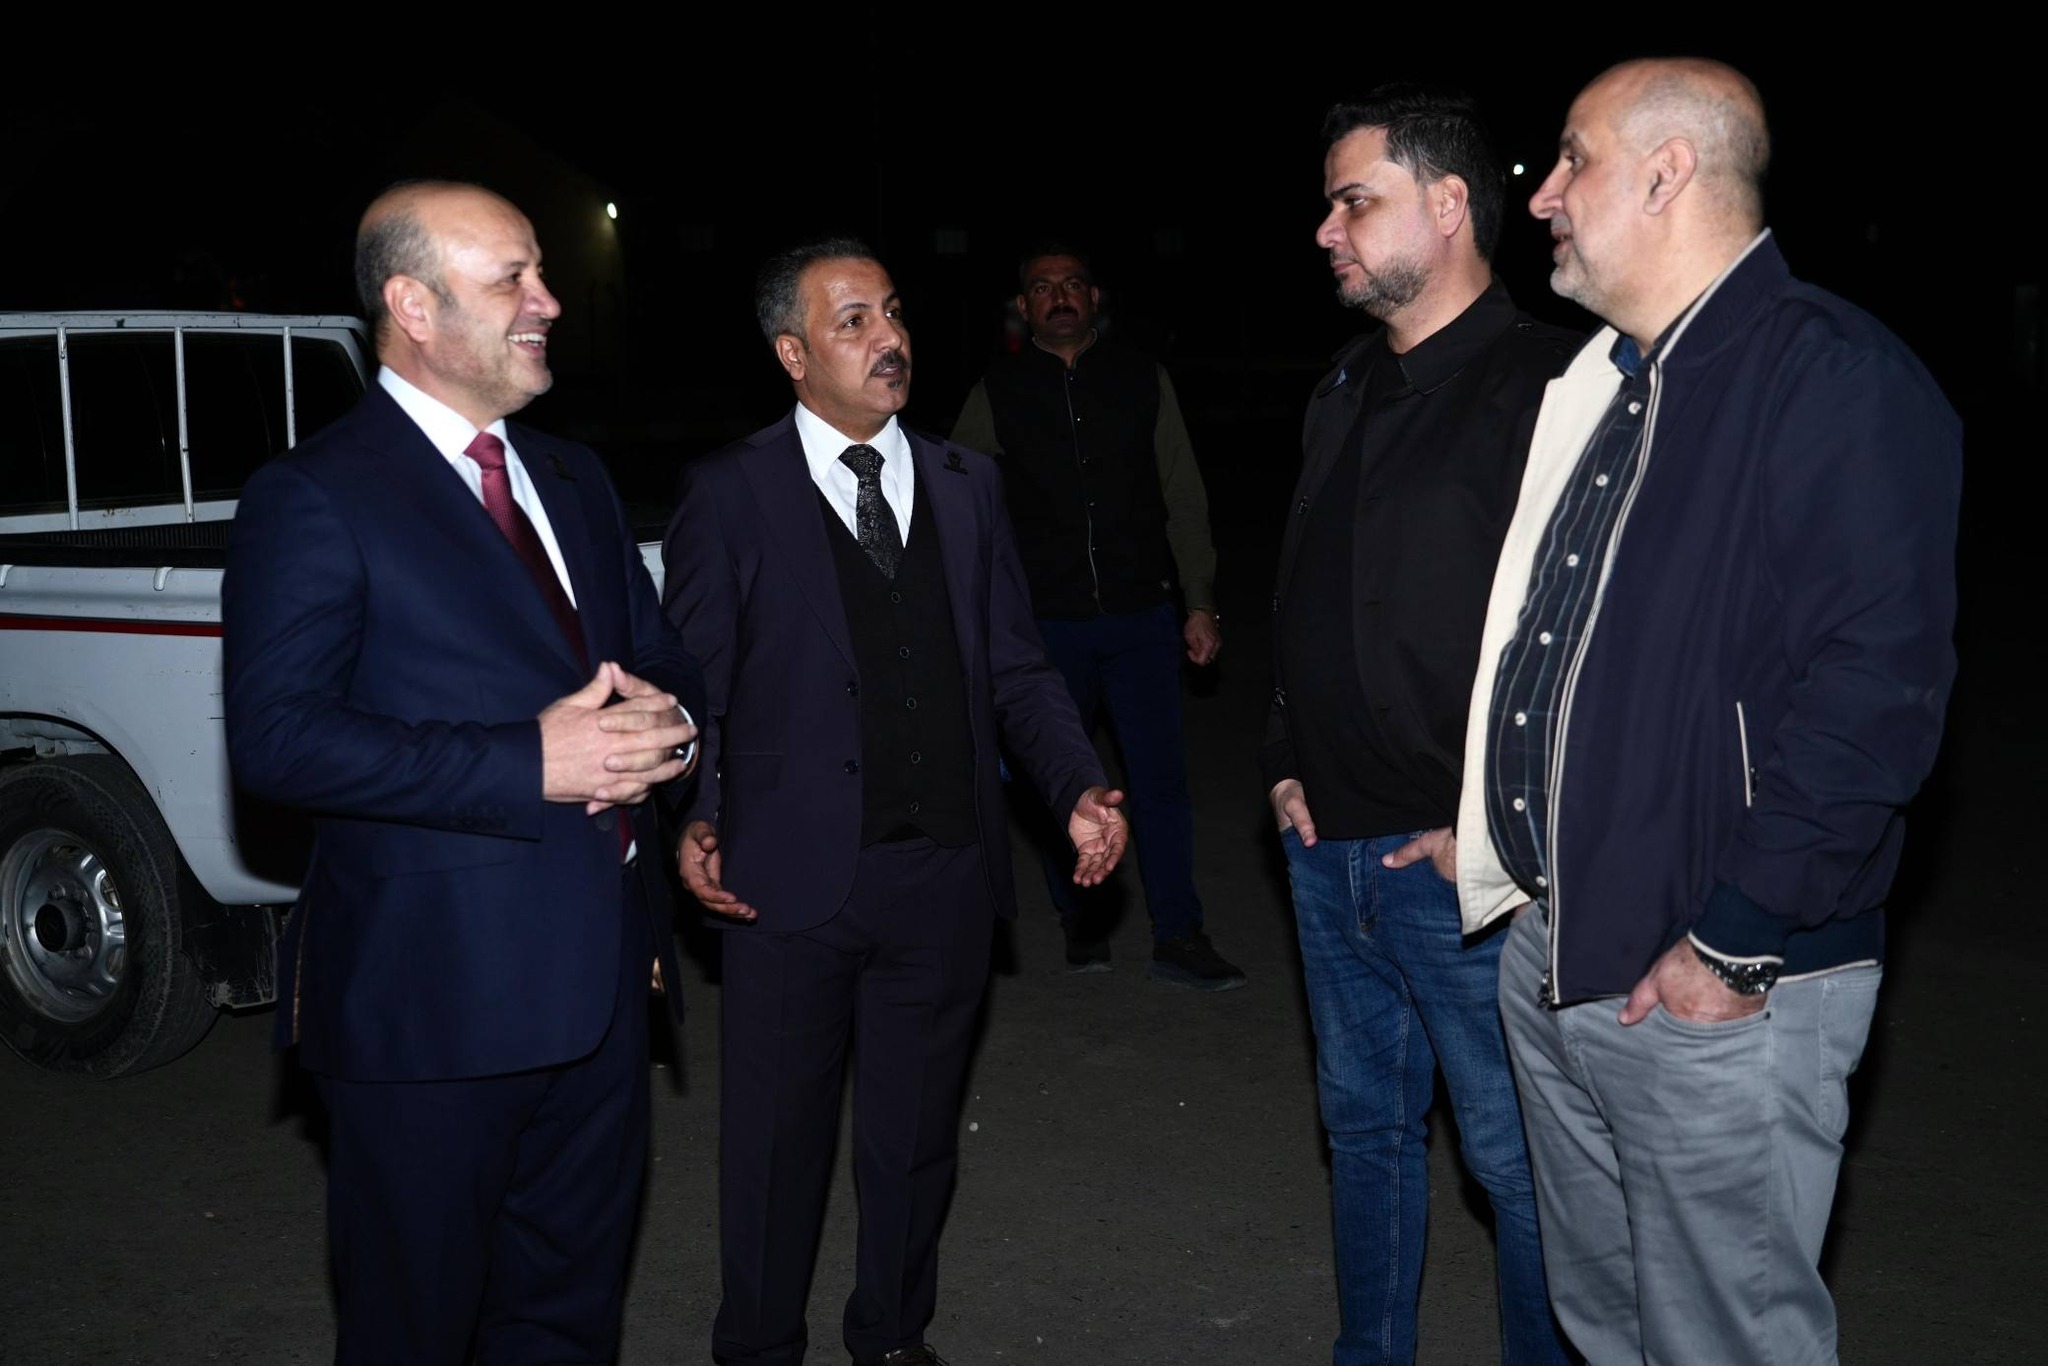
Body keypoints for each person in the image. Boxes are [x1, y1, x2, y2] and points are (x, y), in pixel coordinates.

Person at [1456, 57, 1962, 1363]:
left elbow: (1875, 699)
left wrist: (1732, 942)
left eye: (1572, 159)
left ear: (1666, 174)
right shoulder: (1619, 380)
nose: (1543, 194)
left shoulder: (1829, 375)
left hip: (1715, 977)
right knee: (1609, 1326)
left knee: (1724, 1341)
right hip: (1565, 945)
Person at [222, 180, 706, 1363]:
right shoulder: (315, 493)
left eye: (540, 272)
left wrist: (673, 728)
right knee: (416, 1326)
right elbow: (278, 737)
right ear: (413, 306)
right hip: (430, 1007)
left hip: (601, 988)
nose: (548, 301)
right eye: (512, 279)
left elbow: (656, 657)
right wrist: (527, 760)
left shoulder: (574, 478)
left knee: (566, 1320)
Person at [661, 238, 1129, 1366]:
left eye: (895, 314)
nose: (890, 340)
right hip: (786, 882)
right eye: (854, 321)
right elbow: (693, 686)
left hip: (944, 876)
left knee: (914, 1144)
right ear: (792, 354)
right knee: (774, 1149)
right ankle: (758, 1347)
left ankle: (891, 1336)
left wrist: (1074, 783)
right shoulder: (729, 493)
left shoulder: (969, 485)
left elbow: (1014, 666)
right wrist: (693, 811)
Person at [1262, 87, 1578, 1366]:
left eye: (1354, 201)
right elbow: (1307, 585)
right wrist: (1282, 754)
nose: (1325, 230)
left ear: (1447, 206)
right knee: (1366, 1137)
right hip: (1323, 848)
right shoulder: (1342, 383)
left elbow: (1596, 645)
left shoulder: (1556, 381)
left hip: (1465, 879)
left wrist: (1497, 829)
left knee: (1519, 1167)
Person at [951, 244, 1243, 989]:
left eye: (1072, 284)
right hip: (1045, 625)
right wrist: (978, 613)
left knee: (1160, 782)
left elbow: (1183, 494)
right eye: (1043, 287)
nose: (1059, 296)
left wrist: (1199, 601)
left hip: (1141, 614)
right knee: (1057, 779)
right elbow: (958, 505)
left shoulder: (1142, 377)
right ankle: (1082, 917)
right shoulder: (997, 390)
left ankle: (1179, 932)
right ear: (1024, 306)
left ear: (1094, 298)